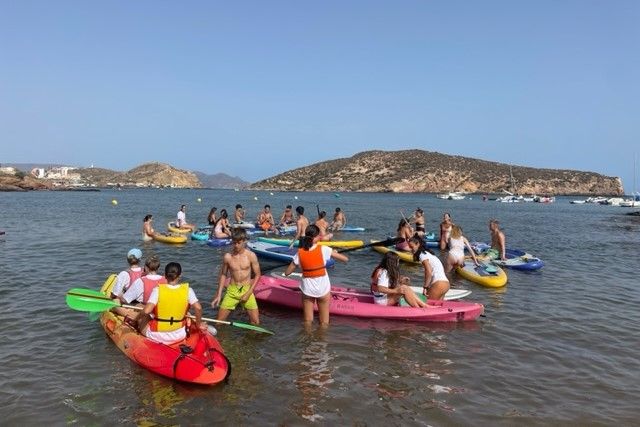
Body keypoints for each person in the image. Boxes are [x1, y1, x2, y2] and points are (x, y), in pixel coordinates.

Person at [284, 225, 349, 325]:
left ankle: (307, 339)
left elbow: (287, 272)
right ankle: (322, 340)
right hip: (323, 289)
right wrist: (333, 253)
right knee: (324, 322)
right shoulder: (324, 249)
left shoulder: (300, 252)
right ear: (317, 237)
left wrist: (297, 264)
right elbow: (345, 259)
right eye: (319, 235)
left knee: (308, 321)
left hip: (308, 289)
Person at [137, 262, 207, 345]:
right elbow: (198, 308)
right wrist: (198, 324)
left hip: (157, 336)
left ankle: (136, 331)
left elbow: (146, 311)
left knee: (143, 316)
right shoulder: (188, 290)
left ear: (165, 276)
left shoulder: (157, 290)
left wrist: (136, 318)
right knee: (187, 314)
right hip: (179, 335)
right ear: (180, 275)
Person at [211, 229, 261, 325]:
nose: (236, 245)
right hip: (232, 291)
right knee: (219, 322)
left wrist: (249, 292)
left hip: (247, 290)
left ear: (244, 241)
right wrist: (218, 294)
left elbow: (258, 275)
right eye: (234, 243)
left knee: (255, 322)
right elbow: (223, 275)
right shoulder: (228, 257)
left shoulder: (251, 256)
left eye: (239, 243)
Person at [115, 255, 168, 320]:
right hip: (162, 310)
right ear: (158, 268)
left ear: (145, 267)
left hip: (146, 311)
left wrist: (120, 297)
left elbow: (125, 300)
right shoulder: (166, 280)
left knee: (115, 305)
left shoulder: (141, 281)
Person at [407, 236, 450, 300]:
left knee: (426, 306)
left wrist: (425, 287)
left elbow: (428, 271)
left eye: (411, 247)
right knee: (437, 308)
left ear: (418, 244)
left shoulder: (422, 255)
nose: (410, 249)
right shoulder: (428, 254)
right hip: (446, 284)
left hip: (439, 284)